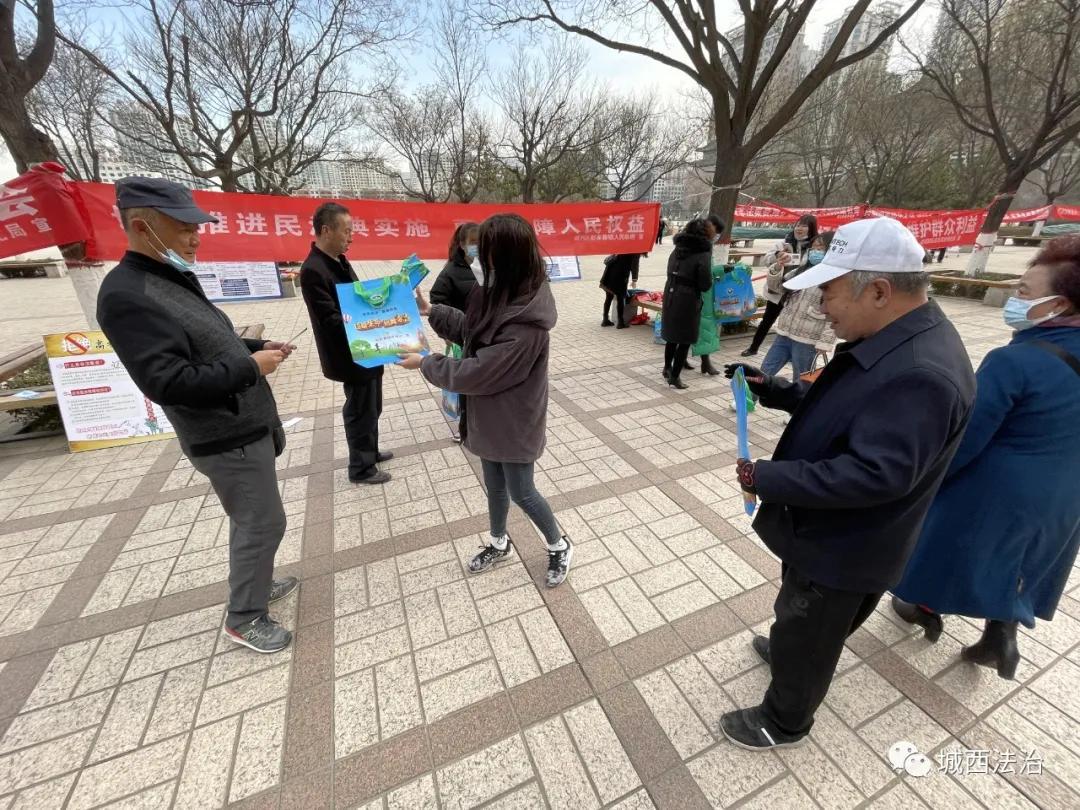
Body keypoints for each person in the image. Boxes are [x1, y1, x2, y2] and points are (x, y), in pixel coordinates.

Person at [720, 216, 975, 750]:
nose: (821, 306)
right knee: (802, 619)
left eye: (830, 292)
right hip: (834, 534)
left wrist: (768, 477)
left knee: (813, 626)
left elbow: (873, 474)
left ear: (878, 291)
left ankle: (785, 720)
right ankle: (793, 649)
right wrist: (781, 391)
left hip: (848, 544)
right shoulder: (896, 339)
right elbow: (850, 410)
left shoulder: (921, 371)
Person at [97, 177, 298, 654]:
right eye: (184, 227)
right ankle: (245, 617)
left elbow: (206, 341)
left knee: (252, 518)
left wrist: (254, 347)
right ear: (144, 227)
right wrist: (249, 367)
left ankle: (256, 581)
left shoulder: (169, 276)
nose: (196, 236)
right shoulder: (128, 294)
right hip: (224, 433)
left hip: (243, 423)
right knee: (264, 522)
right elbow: (166, 381)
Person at [891, 236, 1080, 679]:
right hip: (1065, 494)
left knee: (943, 546)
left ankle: (919, 606)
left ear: (1060, 306)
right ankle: (1001, 637)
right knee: (1019, 560)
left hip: (996, 487)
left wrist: (925, 480)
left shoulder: (1015, 362)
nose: (1015, 297)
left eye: (1025, 292)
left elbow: (965, 437)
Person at [397, 214, 574, 588]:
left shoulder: (527, 325)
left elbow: (477, 371)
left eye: (484, 251)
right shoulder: (495, 290)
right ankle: (498, 541)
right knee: (493, 484)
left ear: (505, 257)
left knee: (522, 490)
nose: (475, 258)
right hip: (487, 414)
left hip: (513, 419)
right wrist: (432, 311)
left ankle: (559, 544)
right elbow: (472, 330)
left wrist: (427, 363)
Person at [300, 202, 392, 485]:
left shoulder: (339, 260)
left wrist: (384, 304)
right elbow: (330, 320)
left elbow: (358, 298)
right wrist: (370, 322)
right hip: (349, 353)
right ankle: (360, 469)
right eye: (347, 231)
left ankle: (371, 452)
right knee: (359, 411)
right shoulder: (314, 270)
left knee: (372, 406)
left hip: (366, 348)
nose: (351, 237)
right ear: (326, 230)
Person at [759, 231, 838, 383]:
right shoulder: (800, 272)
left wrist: (825, 342)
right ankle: (748, 399)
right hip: (784, 334)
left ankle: (799, 406)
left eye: (821, 248)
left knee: (801, 379)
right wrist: (777, 267)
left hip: (807, 341)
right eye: (813, 248)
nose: (815, 251)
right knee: (765, 370)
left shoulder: (833, 280)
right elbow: (778, 288)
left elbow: (835, 313)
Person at [742, 214, 818, 357]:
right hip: (778, 290)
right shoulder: (783, 244)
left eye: (804, 225)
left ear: (811, 229)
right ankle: (753, 347)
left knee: (792, 324)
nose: (799, 228)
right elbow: (766, 260)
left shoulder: (814, 247)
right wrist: (777, 256)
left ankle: (789, 353)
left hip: (798, 293)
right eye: (798, 225)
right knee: (767, 320)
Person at [661, 218, 713, 389]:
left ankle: (667, 368)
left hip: (670, 292)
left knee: (671, 336)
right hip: (688, 298)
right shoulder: (703, 253)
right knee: (685, 339)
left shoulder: (677, 249)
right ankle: (675, 377)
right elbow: (705, 283)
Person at [691, 214, 728, 376]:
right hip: (695, 294)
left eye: (719, 232)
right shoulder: (695, 246)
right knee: (698, 328)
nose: (717, 235)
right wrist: (720, 270)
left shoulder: (705, 246)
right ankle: (704, 363)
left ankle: (704, 362)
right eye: (716, 231)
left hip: (705, 294)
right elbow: (697, 271)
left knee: (703, 327)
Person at [430, 222, 481, 312]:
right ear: (462, 245)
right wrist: (456, 321)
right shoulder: (449, 273)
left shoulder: (491, 268)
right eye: (473, 242)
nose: (477, 246)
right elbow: (437, 303)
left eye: (480, 242)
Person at [599, 253, 641, 328]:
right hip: (620, 275)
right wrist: (634, 280)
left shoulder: (623, 244)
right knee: (620, 298)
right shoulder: (636, 249)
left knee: (609, 297)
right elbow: (635, 265)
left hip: (609, 272)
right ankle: (620, 322)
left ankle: (605, 320)